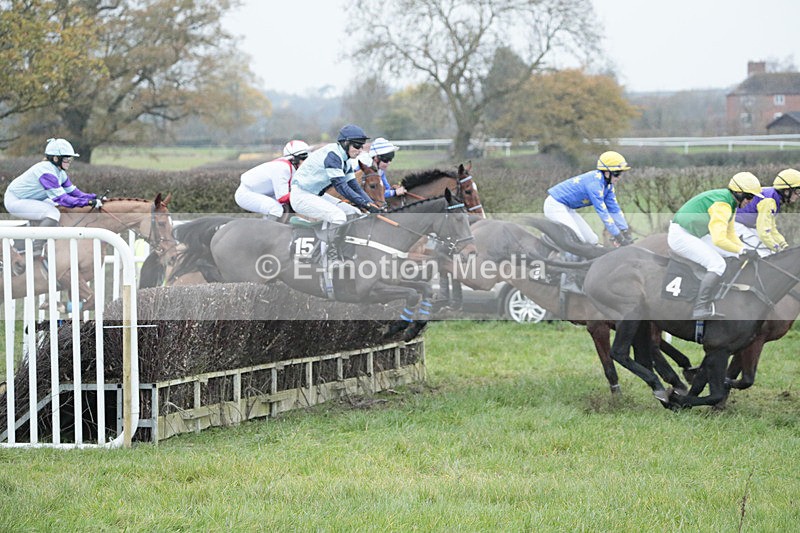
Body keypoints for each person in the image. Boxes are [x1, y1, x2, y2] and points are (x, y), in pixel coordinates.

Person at [668, 172, 764, 319]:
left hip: (695, 233)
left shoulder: (730, 203)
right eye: (749, 197)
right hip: (681, 235)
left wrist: (744, 250)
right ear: (738, 193)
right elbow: (719, 240)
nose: (750, 201)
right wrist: (742, 249)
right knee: (717, 265)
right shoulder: (723, 205)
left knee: (734, 254)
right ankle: (700, 308)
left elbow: (730, 233)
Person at [290, 124, 381, 263]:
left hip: (315, 194)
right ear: (346, 143)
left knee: (353, 212)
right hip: (301, 196)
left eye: (362, 146)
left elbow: (354, 186)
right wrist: (366, 205)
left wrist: (372, 204)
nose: (360, 150)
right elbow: (341, 187)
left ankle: (346, 253)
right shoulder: (333, 156)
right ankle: (330, 256)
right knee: (338, 217)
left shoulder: (345, 160)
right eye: (357, 146)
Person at [4, 138, 99, 254]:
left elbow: (74, 192)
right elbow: (63, 199)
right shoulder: (47, 173)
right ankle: (36, 247)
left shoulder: (60, 172)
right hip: (15, 200)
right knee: (53, 213)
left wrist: (94, 197)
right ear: (55, 159)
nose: (69, 161)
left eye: (70, 158)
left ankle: (26, 237)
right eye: (66, 158)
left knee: (56, 208)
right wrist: (88, 203)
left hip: (27, 199)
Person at [544, 151, 633, 248]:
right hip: (555, 205)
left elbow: (614, 209)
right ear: (607, 172)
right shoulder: (595, 185)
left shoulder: (608, 186)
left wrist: (625, 231)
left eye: (621, 173)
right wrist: (618, 236)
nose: (619, 177)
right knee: (576, 239)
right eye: (616, 173)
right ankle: (552, 245)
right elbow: (603, 213)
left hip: (567, 208)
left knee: (592, 240)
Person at [235, 140, 310, 220]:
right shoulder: (283, 168)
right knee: (276, 209)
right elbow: (282, 198)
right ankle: (267, 228)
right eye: (303, 158)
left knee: (284, 208)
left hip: (264, 193)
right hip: (246, 194)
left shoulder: (293, 167)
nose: (307, 162)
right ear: (294, 159)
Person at [734, 168, 800, 256]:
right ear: (786, 191)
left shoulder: (774, 198)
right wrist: (778, 248)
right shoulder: (769, 201)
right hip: (735, 224)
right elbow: (763, 233)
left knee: (770, 251)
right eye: (797, 191)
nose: (798, 195)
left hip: (746, 224)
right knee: (764, 253)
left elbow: (771, 228)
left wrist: (783, 244)